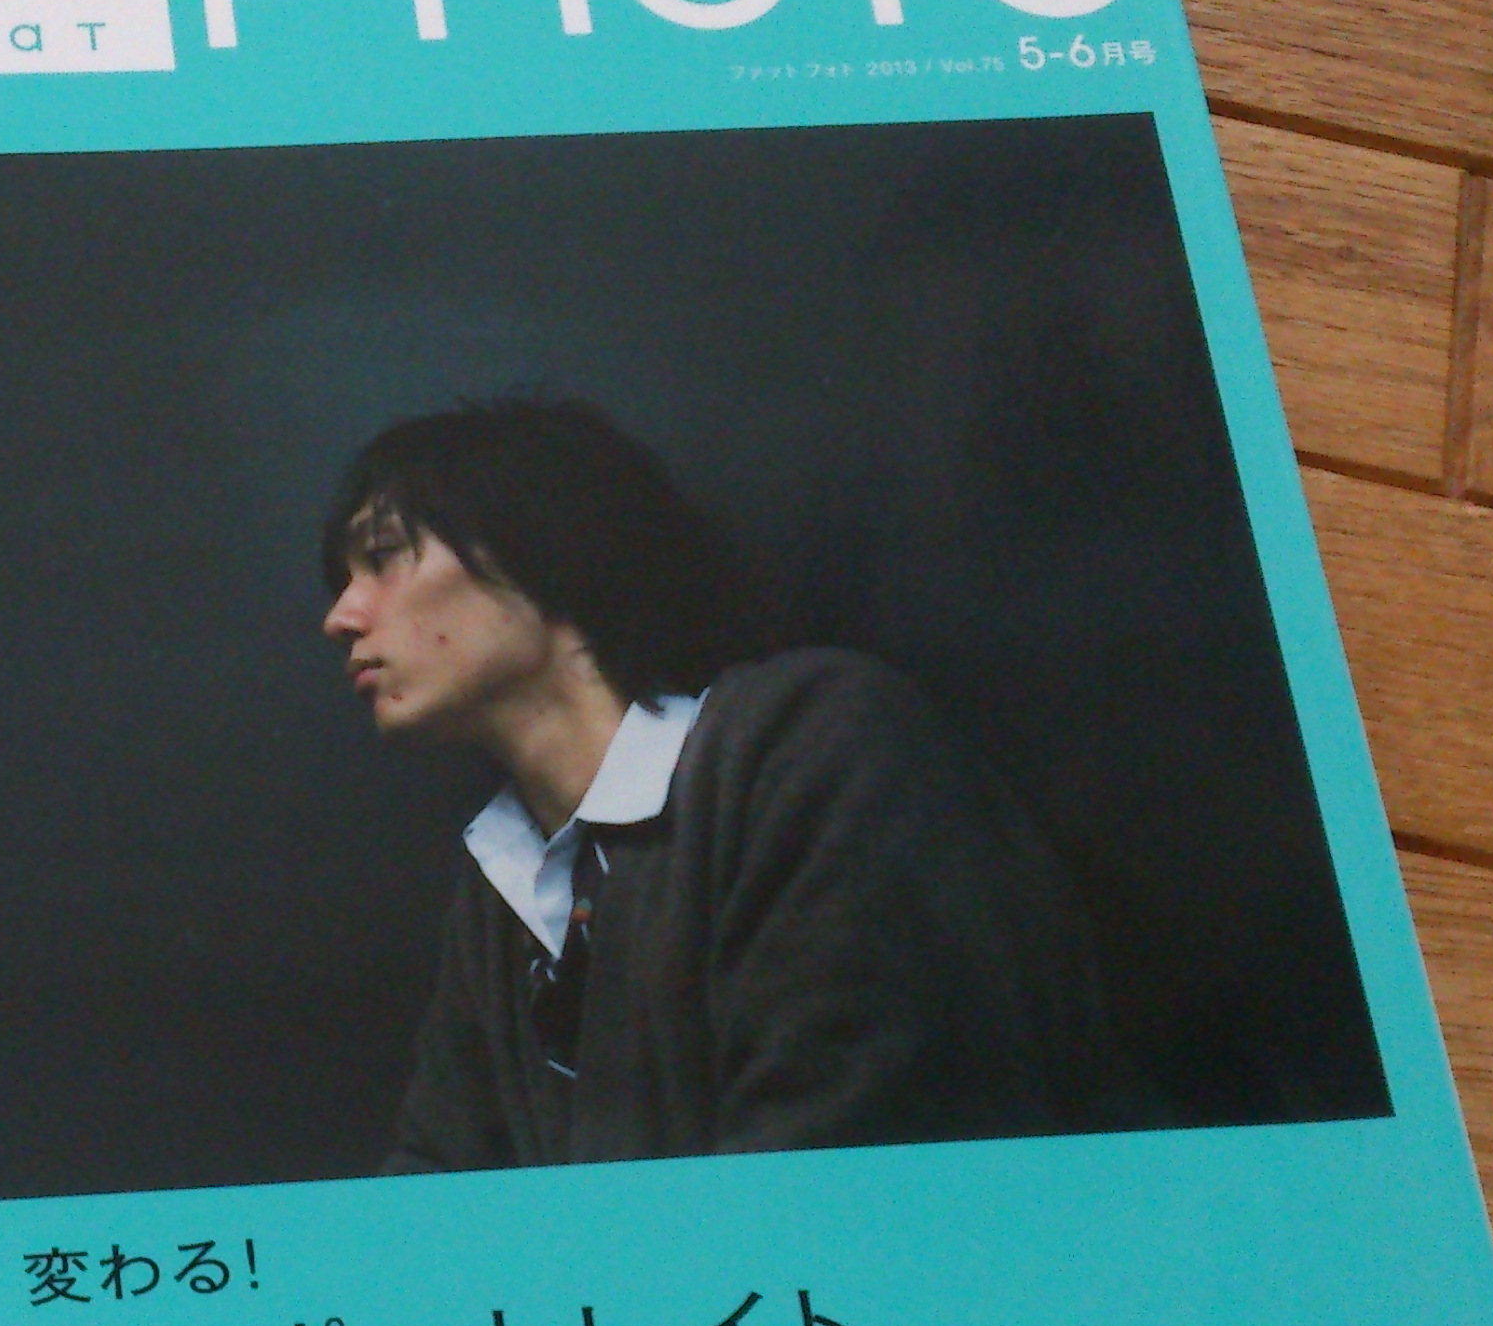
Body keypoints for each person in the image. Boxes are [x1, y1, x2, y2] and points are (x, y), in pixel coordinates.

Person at [317, 399, 1134, 1172]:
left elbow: (840, 1174)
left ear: (540, 552)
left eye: (382, 558)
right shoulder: (505, 886)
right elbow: (433, 1190)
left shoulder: (815, 745)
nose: (341, 616)